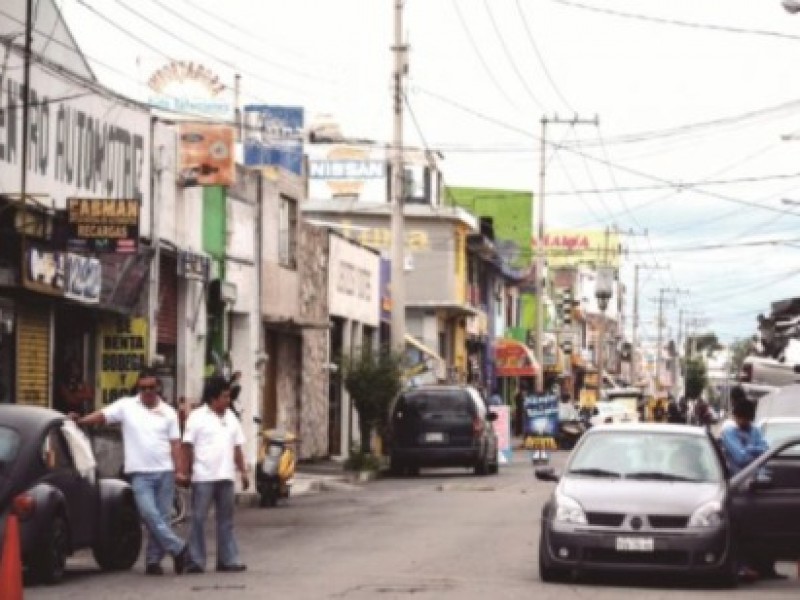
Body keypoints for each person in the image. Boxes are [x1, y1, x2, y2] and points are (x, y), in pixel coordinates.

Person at [74, 367, 188, 576]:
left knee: (162, 518)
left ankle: (153, 562)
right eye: (143, 388)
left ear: (158, 388)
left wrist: (179, 470)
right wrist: (81, 420)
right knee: (148, 514)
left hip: (164, 471)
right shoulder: (127, 406)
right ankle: (179, 548)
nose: (148, 392)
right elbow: (102, 415)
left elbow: (175, 444)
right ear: (138, 388)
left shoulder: (169, 413)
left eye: (151, 387)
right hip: (140, 473)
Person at [181, 375, 249, 574]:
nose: (228, 401)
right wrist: (184, 472)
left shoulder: (231, 418)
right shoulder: (196, 417)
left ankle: (228, 560)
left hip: (226, 476)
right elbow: (187, 447)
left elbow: (237, 448)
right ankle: (195, 561)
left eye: (229, 397)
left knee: (226, 521)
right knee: (199, 519)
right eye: (225, 397)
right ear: (213, 398)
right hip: (203, 477)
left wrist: (243, 472)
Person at [719, 396, 784, 581]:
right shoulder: (730, 433)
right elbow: (740, 458)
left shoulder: (754, 430)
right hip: (738, 486)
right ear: (736, 417)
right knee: (740, 530)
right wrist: (754, 451)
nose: (744, 422)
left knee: (762, 530)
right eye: (741, 419)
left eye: (747, 419)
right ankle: (742, 567)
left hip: (757, 486)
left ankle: (764, 568)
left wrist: (750, 450)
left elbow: (766, 450)